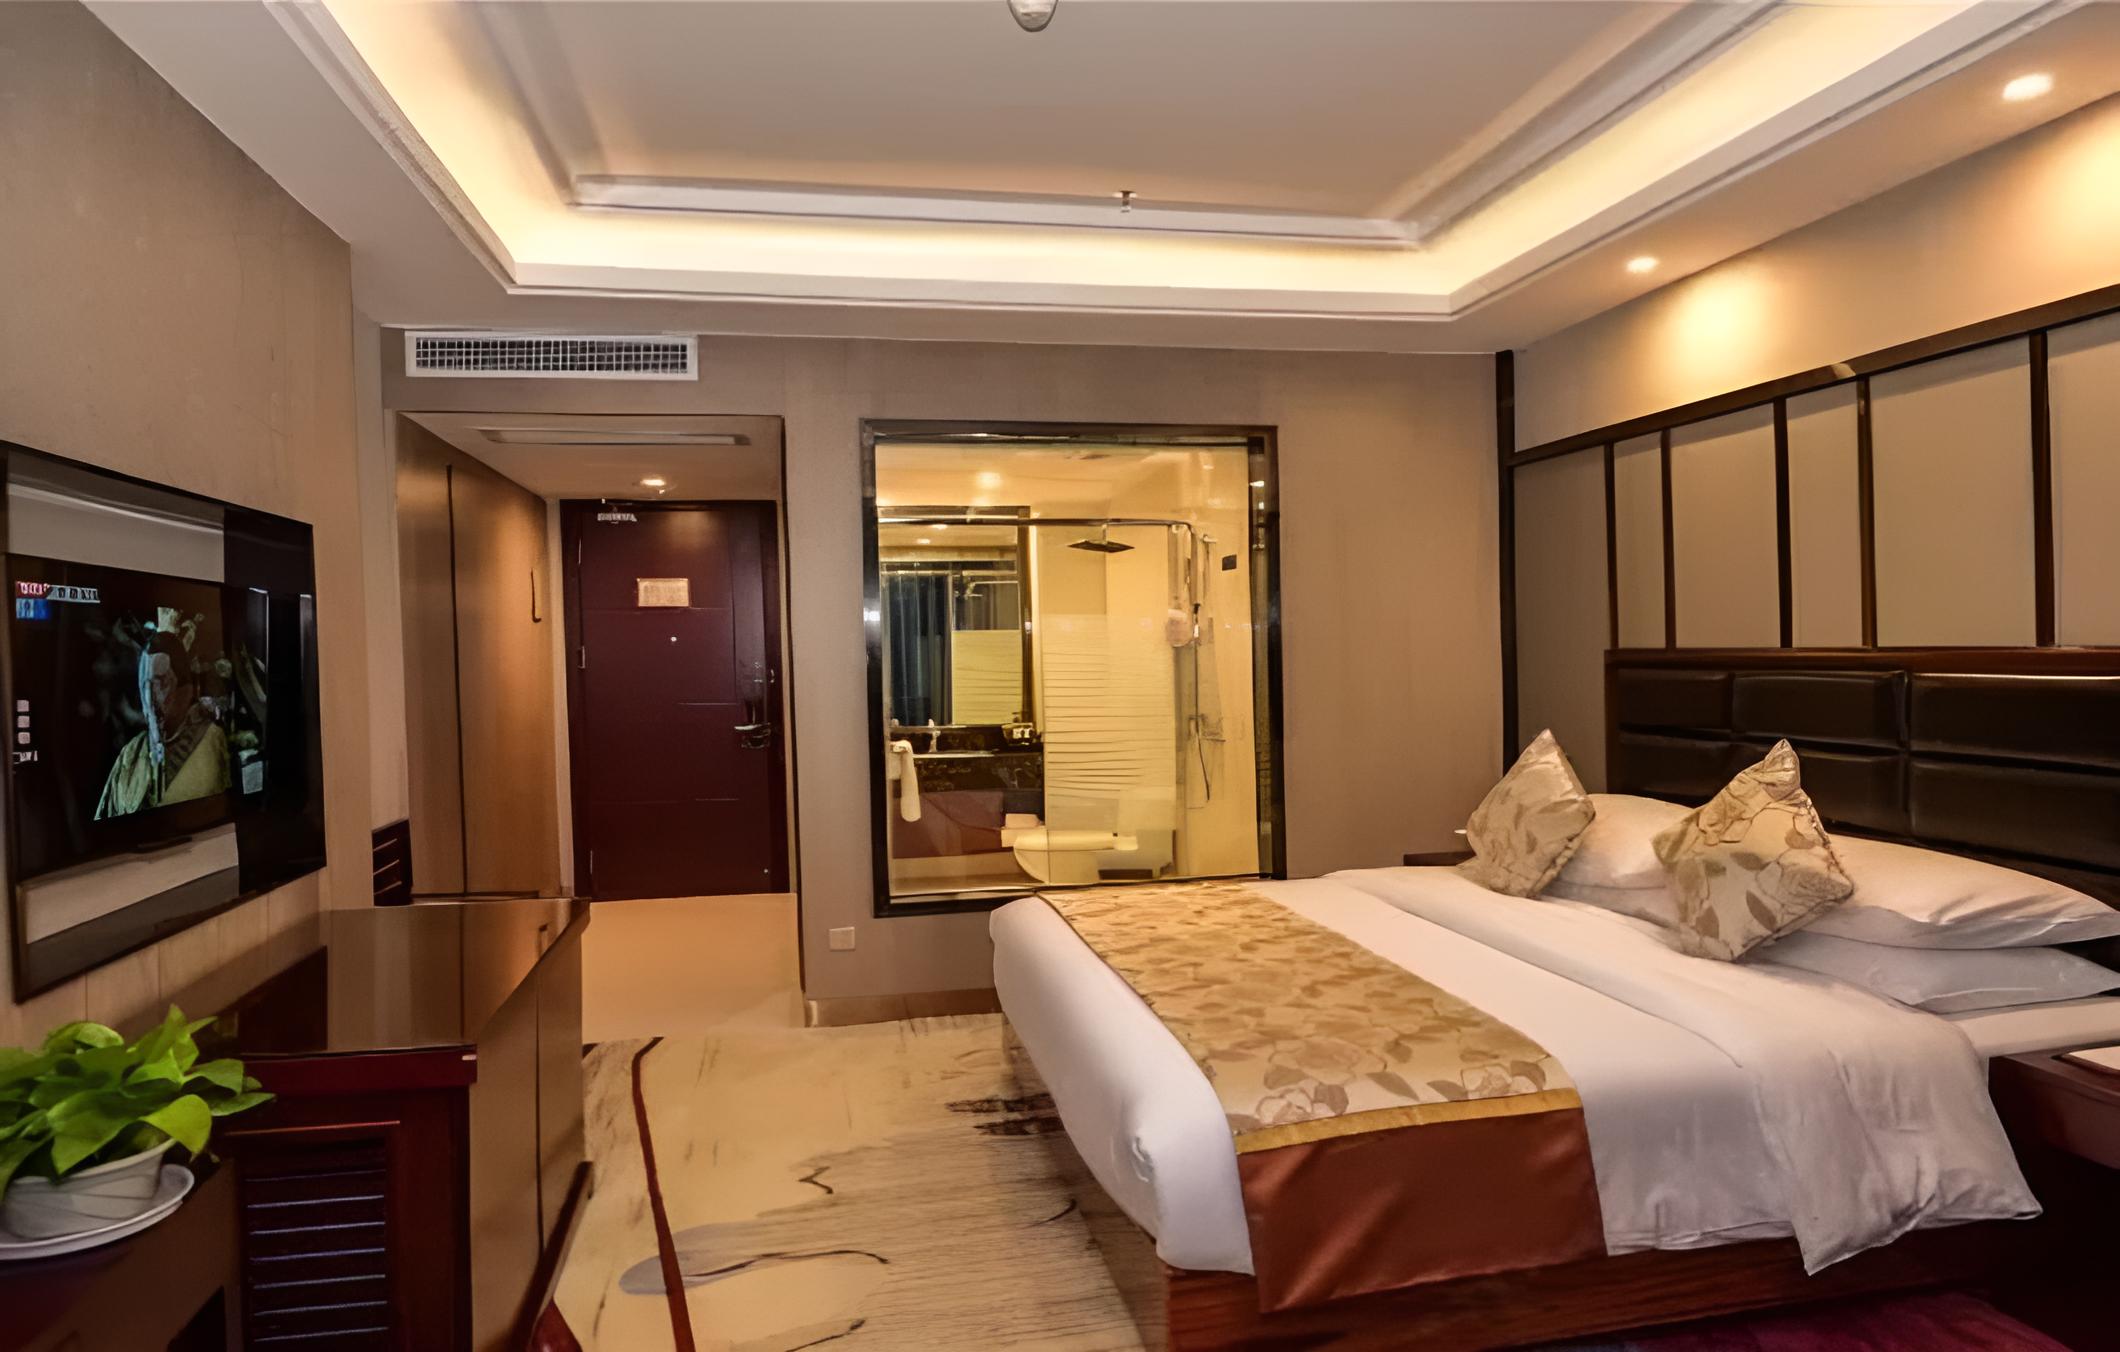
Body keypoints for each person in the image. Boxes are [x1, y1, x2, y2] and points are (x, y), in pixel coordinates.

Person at [94, 632, 228, 819]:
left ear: (185, 689)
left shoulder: (213, 740)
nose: (150, 698)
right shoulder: (129, 755)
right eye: (144, 685)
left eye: (160, 683)